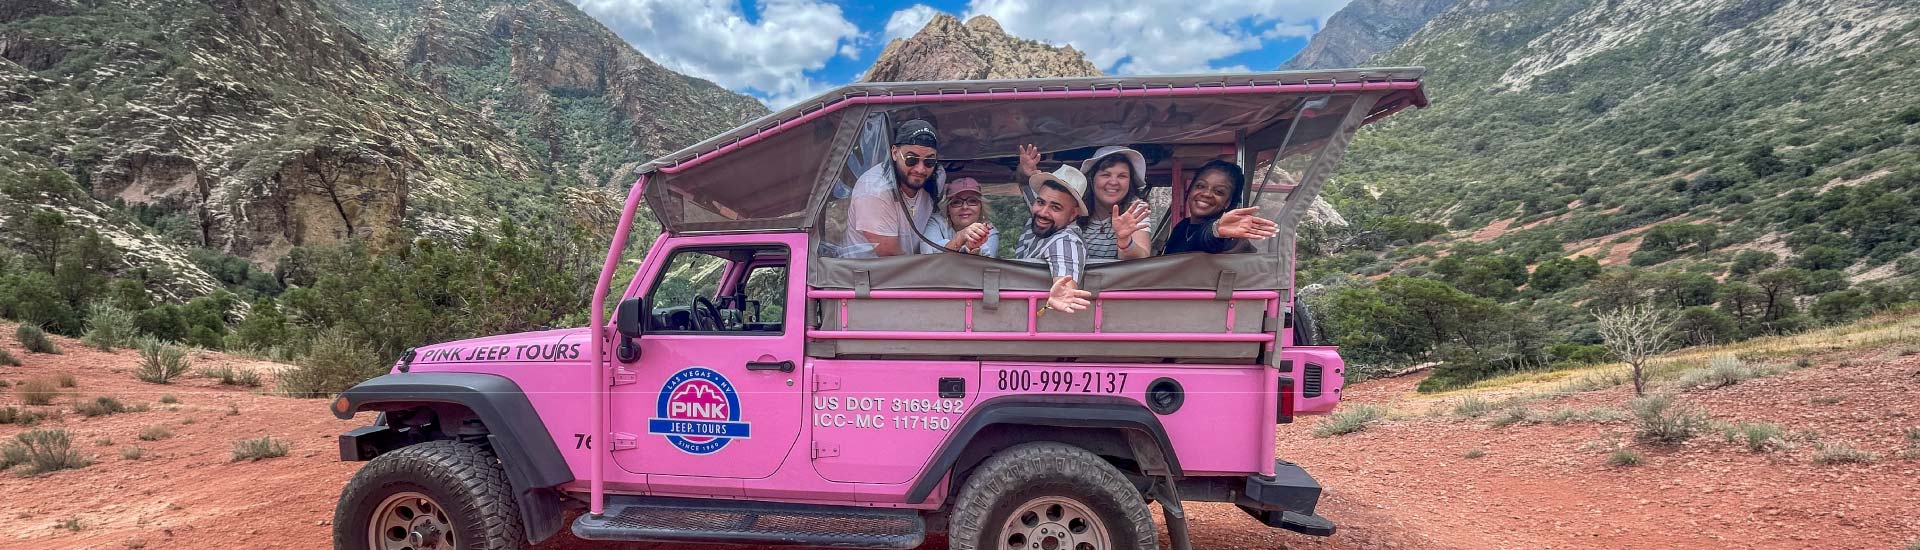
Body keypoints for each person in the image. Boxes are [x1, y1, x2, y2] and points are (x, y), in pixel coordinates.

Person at [1017, 144, 1153, 260]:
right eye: (1105, 175)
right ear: (1092, 179)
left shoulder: (1134, 208)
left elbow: (1142, 257)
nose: (1113, 182)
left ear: (1130, 182)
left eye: (1122, 176)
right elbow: (1027, 187)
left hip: (1114, 287)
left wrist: (1125, 241)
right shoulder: (1069, 202)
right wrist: (1024, 171)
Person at [845, 119, 943, 257]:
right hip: (872, 273)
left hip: (911, 267)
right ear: (895, 153)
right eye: (911, 159)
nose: (920, 169)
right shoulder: (875, 190)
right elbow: (889, 254)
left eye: (929, 161)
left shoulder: (937, 177)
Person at [1014, 165, 1094, 313]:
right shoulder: (1041, 216)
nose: (1043, 212)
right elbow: (1025, 185)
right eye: (1040, 202)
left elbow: (1066, 277)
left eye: (1055, 208)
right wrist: (1023, 168)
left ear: (1073, 214)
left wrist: (1065, 292)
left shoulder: (1066, 240)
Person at [1159, 160, 1278, 255]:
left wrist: (1216, 230)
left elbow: (1206, 239)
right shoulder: (1182, 227)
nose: (1206, 194)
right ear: (1190, 190)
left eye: (1219, 192)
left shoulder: (1229, 237)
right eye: (1200, 186)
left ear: (1228, 202)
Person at [918, 177, 999, 256]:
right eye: (956, 202)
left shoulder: (989, 230)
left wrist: (973, 249)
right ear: (947, 208)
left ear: (981, 207)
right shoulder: (936, 222)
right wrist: (960, 238)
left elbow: (985, 265)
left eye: (972, 201)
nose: (965, 207)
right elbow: (928, 257)